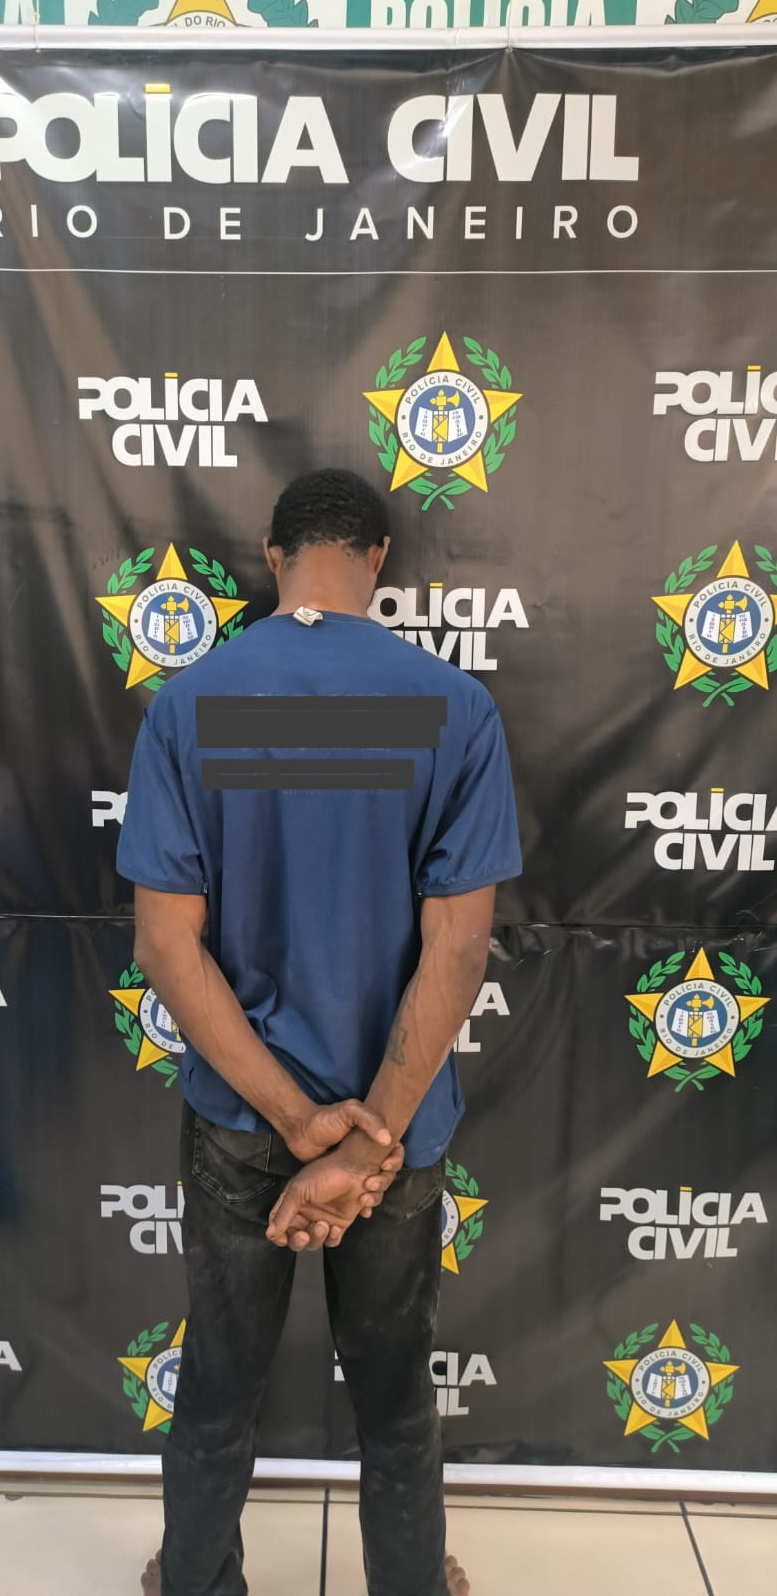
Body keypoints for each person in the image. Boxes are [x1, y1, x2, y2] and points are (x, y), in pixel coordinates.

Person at [117, 468, 522, 1596]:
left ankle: (193, 1582)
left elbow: (164, 946)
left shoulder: (191, 703)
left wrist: (300, 1122)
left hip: (244, 1119)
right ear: (377, 557)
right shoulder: (454, 708)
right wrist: (365, 1139)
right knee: (393, 1392)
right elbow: (457, 952)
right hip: (396, 1130)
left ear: (272, 555)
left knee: (218, 1385)